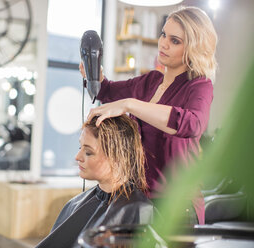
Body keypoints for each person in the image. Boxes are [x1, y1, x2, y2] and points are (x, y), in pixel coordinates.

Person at [80, 6, 217, 225]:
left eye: (175, 41)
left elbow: (192, 123)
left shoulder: (199, 86)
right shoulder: (150, 82)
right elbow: (105, 91)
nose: (163, 43)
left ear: (194, 48)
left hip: (177, 206)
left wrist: (130, 105)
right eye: (164, 34)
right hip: (138, 201)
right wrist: (93, 72)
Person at [36, 115, 154, 248]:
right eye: (79, 148)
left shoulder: (140, 211)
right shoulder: (75, 204)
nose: (77, 157)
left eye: (88, 152)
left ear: (117, 157)